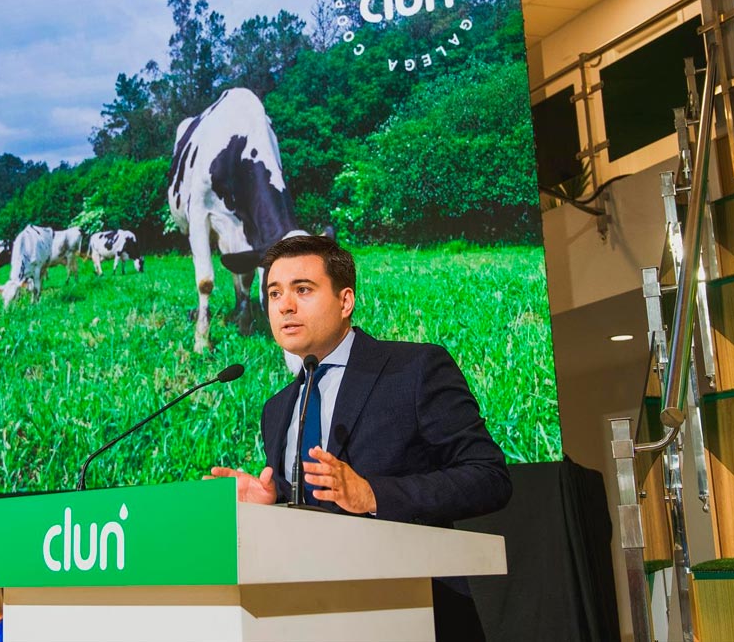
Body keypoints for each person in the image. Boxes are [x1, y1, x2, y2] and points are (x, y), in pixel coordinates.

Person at [209, 235, 512, 642]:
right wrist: (270, 502)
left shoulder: (414, 369)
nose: (284, 306)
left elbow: (489, 477)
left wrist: (373, 495)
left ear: (345, 301)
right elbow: (310, 508)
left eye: (303, 290)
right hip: (309, 618)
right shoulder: (277, 407)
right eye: (274, 292)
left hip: (415, 612)